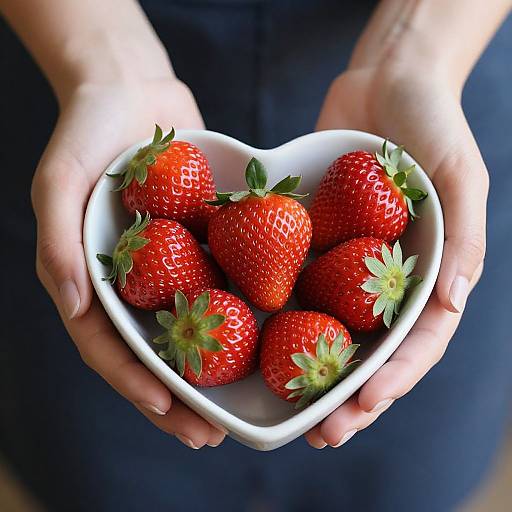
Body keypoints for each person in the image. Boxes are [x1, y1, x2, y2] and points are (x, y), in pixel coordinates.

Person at [0, 0, 511, 510]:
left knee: (403, 484)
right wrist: (100, 55)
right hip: (71, 46)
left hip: (439, 50)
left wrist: (418, 52)